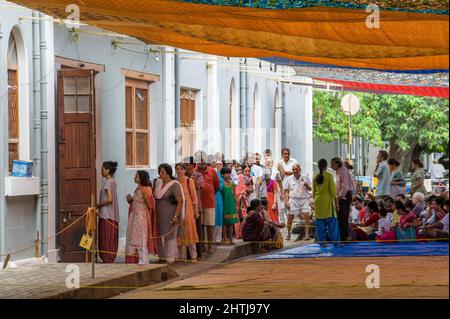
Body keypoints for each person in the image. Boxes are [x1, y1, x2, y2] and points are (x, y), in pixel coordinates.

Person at [125, 170, 158, 264]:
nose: (134, 177)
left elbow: (150, 206)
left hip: (141, 218)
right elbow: (135, 202)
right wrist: (130, 199)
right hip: (135, 218)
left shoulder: (145, 189)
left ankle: (144, 263)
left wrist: (144, 195)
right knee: (137, 240)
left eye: (136, 176)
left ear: (141, 178)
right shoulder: (138, 189)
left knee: (142, 241)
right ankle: (140, 261)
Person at [154, 163, 184, 264]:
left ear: (168, 173)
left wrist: (176, 216)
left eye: (162, 172)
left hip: (170, 215)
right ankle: (162, 256)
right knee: (159, 236)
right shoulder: (158, 183)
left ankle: (170, 257)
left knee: (170, 236)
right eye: (159, 171)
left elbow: (180, 201)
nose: (160, 173)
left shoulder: (174, 185)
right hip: (159, 216)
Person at [195, 151, 220, 256]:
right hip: (198, 204)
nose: (201, 161)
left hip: (209, 202)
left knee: (209, 226)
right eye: (199, 159)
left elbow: (217, 186)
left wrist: (209, 193)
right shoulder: (194, 171)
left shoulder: (212, 171)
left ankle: (210, 246)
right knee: (199, 226)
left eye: (203, 159)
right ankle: (202, 247)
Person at [96, 161, 120, 263]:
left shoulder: (107, 182)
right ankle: (110, 257)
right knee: (111, 237)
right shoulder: (113, 181)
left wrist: (99, 205)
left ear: (108, 170)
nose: (102, 171)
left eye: (103, 169)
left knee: (105, 236)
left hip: (106, 214)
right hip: (113, 214)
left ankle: (106, 257)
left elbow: (109, 199)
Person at [175, 163, 199, 262]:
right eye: (177, 169)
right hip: (177, 208)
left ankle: (194, 256)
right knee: (178, 232)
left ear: (185, 170)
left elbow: (194, 198)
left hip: (188, 208)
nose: (179, 171)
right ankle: (181, 256)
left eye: (181, 169)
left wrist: (195, 211)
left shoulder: (189, 181)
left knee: (189, 231)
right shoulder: (175, 182)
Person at [313, 159, 340, 244]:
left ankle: (322, 244)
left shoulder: (314, 177)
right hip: (328, 203)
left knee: (320, 225)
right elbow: (333, 192)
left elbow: (313, 193)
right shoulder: (329, 176)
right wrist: (336, 203)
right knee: (332, 225)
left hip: (318, 203)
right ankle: (336, 243)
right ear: (326, 166)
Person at [284, 163, 312, 241]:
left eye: (296, 169)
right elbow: (286, 191)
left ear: (300, 169)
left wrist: (306, 184)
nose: (294, 171)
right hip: (293, 199)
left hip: (303, 199)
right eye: (293, 169)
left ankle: (307, 234)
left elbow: (310, 189)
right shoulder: (289, 179)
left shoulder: (305, 177)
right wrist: (286, 201)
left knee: (306, 215)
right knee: (290, 217)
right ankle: (288, 233)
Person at [331, 157, 354, 241]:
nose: (331, 166)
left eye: (333, 164)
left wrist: (338, 198)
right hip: (341, 197)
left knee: (343, 218)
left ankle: (345, 237)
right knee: (340, 218)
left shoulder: (343, 171)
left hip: (344, 197)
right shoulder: (338, 171)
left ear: (337, 163)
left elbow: (345, 187)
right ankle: (342, 237)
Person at [186, 155, 204, 259]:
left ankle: (199, 253)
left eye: (187, 165)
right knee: (187, 231)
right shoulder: (182, 176)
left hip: (197, 207)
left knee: (197, 230)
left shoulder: (198, 175)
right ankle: (188, 254)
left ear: (193, 165)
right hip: (185, 208)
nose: (185, 167)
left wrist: (192, 179)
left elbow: (199, 187)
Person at [221, 167, 239, 244]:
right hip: (224, 205)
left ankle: (231, 239)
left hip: (231, 204)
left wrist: (237, 205)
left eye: (228, 173)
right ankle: (225, 238)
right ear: (222, 174)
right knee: (224, 223)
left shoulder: (232, 183)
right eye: (225, 173)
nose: (227, 175)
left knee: (231, 222)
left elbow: (235, 195)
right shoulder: (221, 184)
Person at [265, 157, 279, 223]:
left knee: (273, 216)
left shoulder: (273, 182)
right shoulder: (262, 181)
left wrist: (275, 203)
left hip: (271, 199)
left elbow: (275, 193)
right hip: (264, 199)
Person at [214, 160, 225, 244]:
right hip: (211, 196)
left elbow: (222, 185)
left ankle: (218, 238)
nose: (218, 165)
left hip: (218, 196)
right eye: (216, 164)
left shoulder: (223, 174)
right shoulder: (213, 172)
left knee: (219, 217)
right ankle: (211, 238)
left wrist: (216, 187)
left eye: (220, 164)